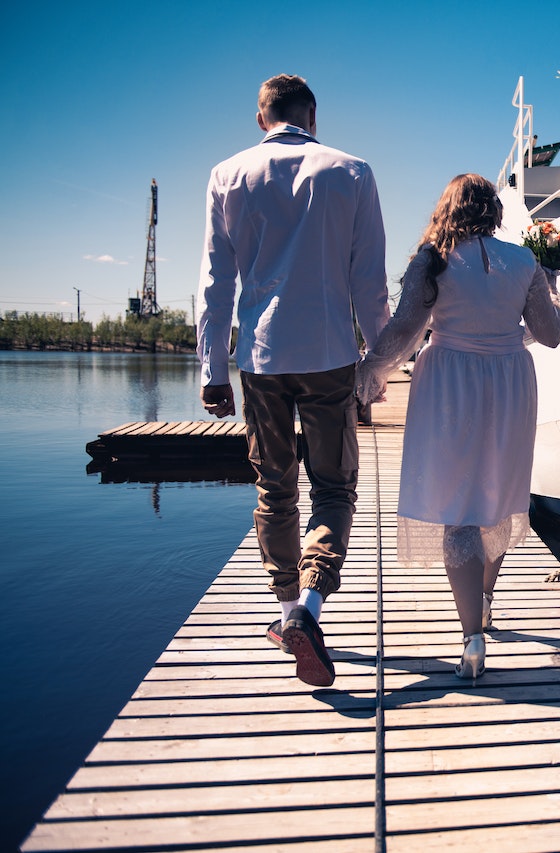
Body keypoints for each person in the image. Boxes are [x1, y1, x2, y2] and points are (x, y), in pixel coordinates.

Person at [197, 74, 389, 688]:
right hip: (331, 351)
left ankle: (286, 613)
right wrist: (378, 366)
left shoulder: (227, 174)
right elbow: (370, 280)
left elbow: (214, 283)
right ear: (312, 114)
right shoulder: (351, 170)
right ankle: (310, 606)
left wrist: (211, 368)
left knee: (274, 487)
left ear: (261, 119)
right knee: (334, 488)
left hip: (259, 358)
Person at [356, 174, 560, 681]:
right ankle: (486, 601)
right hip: (510, 382)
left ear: (447, 208)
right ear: (494, 211)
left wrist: (369, 373)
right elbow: (552, 335)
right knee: (496, 495)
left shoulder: (433, 257)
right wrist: (552, 287)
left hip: (450, 380)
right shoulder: (525, 262)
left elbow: (405, 330)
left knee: (459, 508)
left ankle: (472, 634)